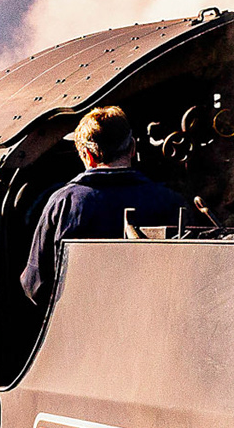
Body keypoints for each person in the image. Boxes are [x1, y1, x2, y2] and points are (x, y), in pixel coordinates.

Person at [20, 106, 189, 304]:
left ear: (87, 155)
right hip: (155, 325)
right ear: (132, 148)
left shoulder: (63, 203)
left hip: (82, 323)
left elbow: (35, 284)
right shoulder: (172, 202)